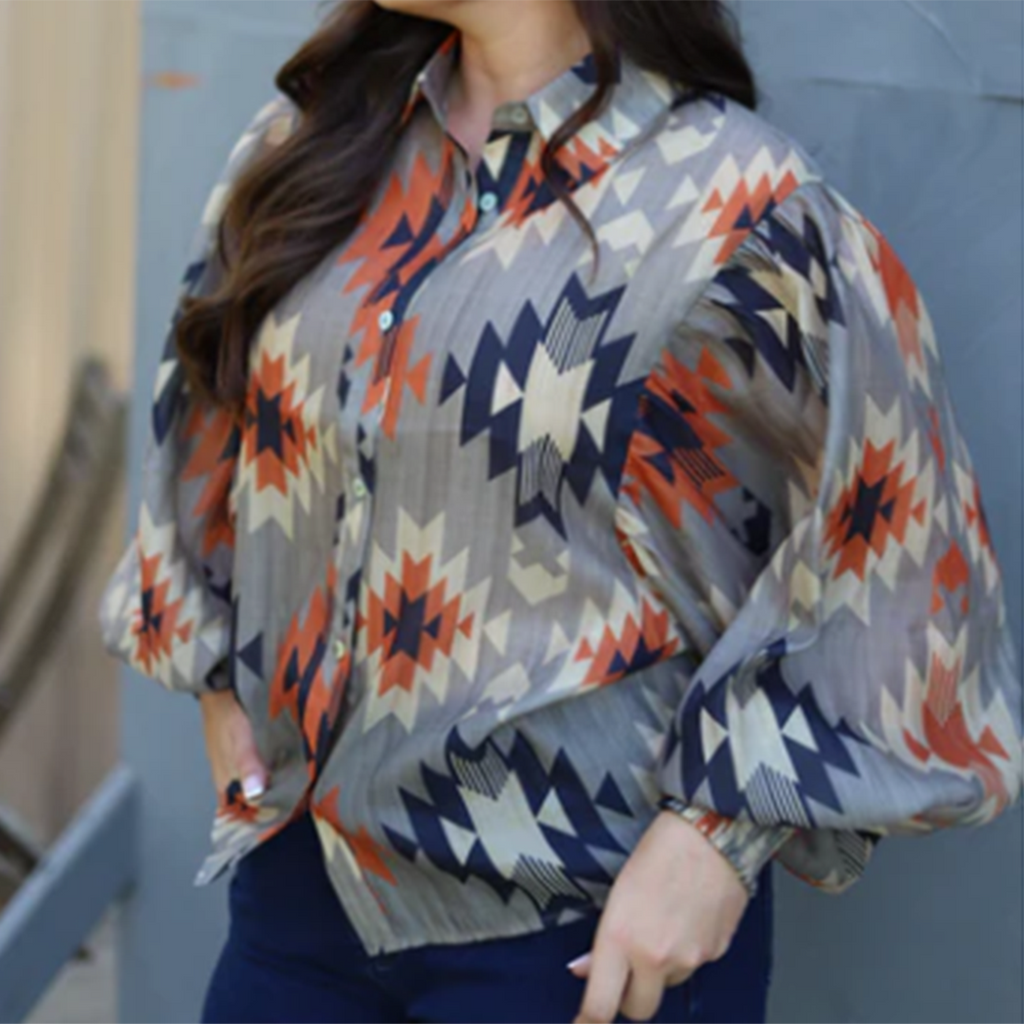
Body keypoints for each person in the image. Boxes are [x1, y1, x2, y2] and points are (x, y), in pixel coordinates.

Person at [99, 0, 1023, 1021]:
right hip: (302, 909)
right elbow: (208, 416)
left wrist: (714, 840)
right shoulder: (315, 144)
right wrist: (217, 680)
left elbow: (893, 543)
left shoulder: (734, 204)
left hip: (580, 943)